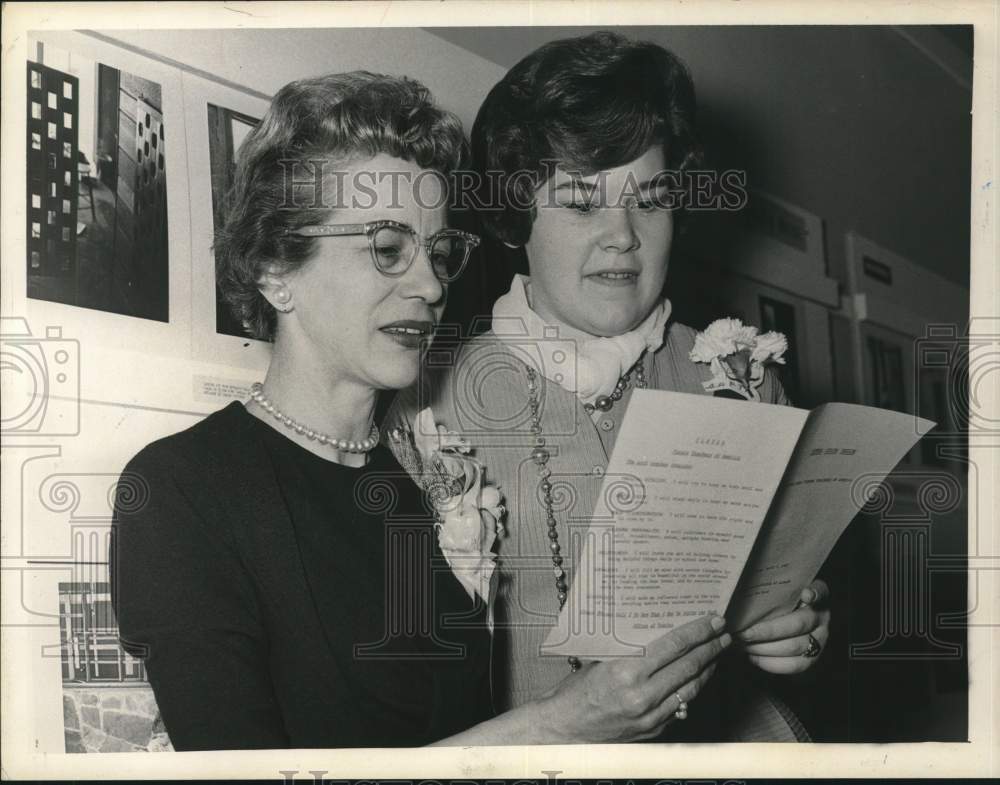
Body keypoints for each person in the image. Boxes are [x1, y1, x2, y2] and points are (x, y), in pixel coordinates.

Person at [110, 70, 730, 750]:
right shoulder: (182, 489)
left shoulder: (431, 470)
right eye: (387, 248)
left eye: (439, 251)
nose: (432, 283)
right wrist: (562, 723)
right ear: (276, 270)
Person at [388, 32, 831, 741]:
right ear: (514, 215)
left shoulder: (742, 377)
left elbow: (792, 595)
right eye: (582, 204)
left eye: (649, 200)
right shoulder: (423, 398)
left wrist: (800, 628)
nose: (623, 235)